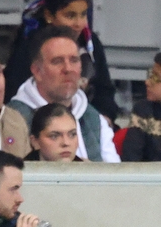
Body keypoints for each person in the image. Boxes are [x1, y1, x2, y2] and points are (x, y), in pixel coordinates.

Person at [4, 0, 117, 124]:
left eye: (83, 15)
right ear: (49, 16)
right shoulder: (32, 46)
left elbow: (104, 90)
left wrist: (103, 120)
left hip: (87, 121)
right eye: (70, 16)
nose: (78, 23)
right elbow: (14, 90)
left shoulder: (91, 43)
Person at [7, 25, 119, 163]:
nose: (68, 69)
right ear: (36, 70)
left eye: (74, 60)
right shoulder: (13, 119)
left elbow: (113, 176)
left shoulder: (94, 119)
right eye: (57, 61)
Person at [122, 54, 161, 162]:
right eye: (150, 75)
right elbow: (130, 161)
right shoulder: (143, 110)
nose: (147, 82)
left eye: (155, 78)